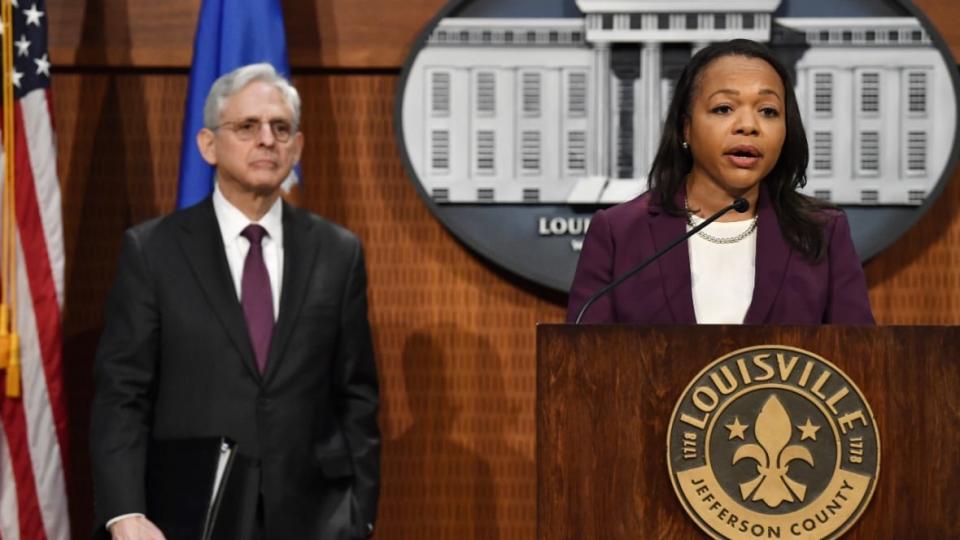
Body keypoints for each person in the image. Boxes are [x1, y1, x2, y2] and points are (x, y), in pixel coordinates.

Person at [90, 63, 380, 539]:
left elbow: (356, 398)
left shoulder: (338, 252)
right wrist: (125, 513)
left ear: (298, 146)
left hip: (314, 521)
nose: (267, 139)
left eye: (280, 128)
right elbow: (122, 396)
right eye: (247, 126)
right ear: (207, 145)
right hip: (188, 515)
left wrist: (359, 515)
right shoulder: (153, 251)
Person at [567, 39, 874, 325]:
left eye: (768, 111)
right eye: (724, 108)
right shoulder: (619, 233)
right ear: (686, 128)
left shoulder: (822, 232)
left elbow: (857, 364)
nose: (748, 126)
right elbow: (581, 367)